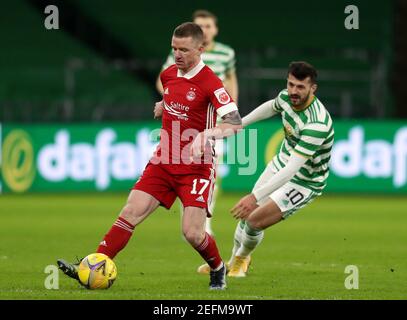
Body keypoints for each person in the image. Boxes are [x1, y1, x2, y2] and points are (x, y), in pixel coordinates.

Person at [57, 22, 243, 290]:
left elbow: (235, 124)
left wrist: (206, 135)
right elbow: (176, 100)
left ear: (200, 49)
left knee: (192, 233)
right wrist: (163, 105)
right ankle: (94, 265)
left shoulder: (211, 82)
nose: (177, 55)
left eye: (184, 50)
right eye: (173, 48)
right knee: (130, 212)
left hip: (196, 168)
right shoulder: (169, 75)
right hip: (163, 161)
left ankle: (217, 267)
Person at [198, 61, 334, 277]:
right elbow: (271, 106)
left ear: (312, 88)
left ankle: (242, 259)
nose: (293, 91)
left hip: (304, 181)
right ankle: (232, 263)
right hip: (281, 162)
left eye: (300, 87)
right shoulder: (287, 98)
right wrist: (240, 124)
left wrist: (254, 196)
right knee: (247, 218)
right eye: (290, 84)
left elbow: (292, 170)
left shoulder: (317, 124)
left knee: (254, 220)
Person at [155, 10, 238, 240]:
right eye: (201, 25)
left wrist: (232, 107)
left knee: (209, 172)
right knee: (185, 171)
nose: (206, 29)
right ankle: (195, 226)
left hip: (215, 123)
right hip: (184, 122)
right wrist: (170, 100)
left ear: (215, 29)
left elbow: (230, 80)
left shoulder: (225, 53)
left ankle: (201, 225)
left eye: (209, 26)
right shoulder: (181, 51)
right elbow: (165, 79)